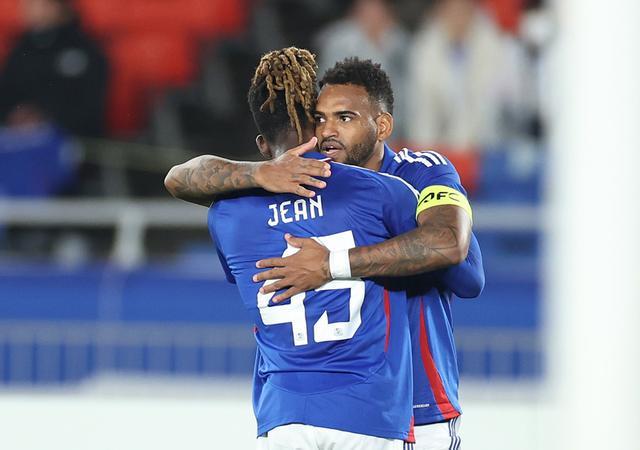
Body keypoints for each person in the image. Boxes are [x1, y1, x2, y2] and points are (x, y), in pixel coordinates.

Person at [165, 56, 484, 450]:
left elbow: (464, 268)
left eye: (344, 118)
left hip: (422, 401)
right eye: (320, 119)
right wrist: (260, 172)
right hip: (356, 407)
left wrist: (337, 263)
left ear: (382, 126)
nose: (329, 131)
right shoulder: (304, 184)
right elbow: (179, 177)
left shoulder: (419, 173)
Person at [0, 0, 108, 136]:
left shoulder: (84, 49)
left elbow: (87, 104)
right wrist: (15, 114)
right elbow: (7, 92)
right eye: (29, 4)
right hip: (18, 135)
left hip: (70, 137)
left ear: (60, 7)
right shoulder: (21, 47)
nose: (32, 10)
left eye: (41, 4)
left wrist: (43, 118)